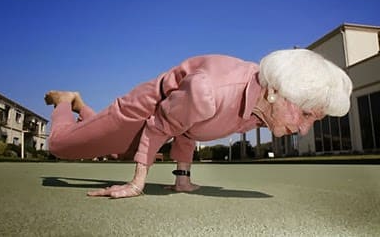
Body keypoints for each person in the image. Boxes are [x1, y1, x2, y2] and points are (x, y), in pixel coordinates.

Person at [45, 49, 352, 199]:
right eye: (306, 115)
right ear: (275, 93)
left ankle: (82, 107)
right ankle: (65, 100)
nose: (304, 129)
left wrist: (182, 177)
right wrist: (137, 183)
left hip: (167, 122)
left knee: (116, 152)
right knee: (60, 145)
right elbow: (159, 125)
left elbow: (190, 130)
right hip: (141, 114)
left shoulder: (261, 108)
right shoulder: (210, 91)